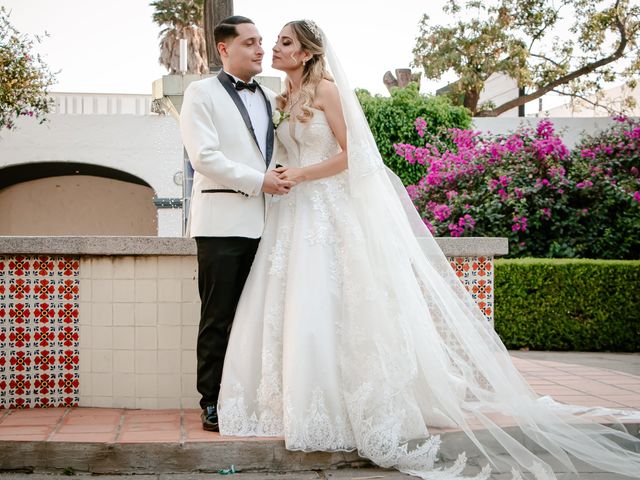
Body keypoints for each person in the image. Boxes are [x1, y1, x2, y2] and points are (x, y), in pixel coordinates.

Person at [217, 20, 640, 479]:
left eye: (284, 43)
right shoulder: (282, 98)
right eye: (272, 42)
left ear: (305, 53)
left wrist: (300, 175)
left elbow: (351, 156)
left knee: (333, 303)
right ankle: (290, 400)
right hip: (292, 214)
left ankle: (347, 404)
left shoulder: (328, 92)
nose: (273, 49)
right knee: (295, 306)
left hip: (326, 211)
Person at [179, 15, 294, 432]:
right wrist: (259, 181)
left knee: (259, 317)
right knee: (219, 316)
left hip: (268, 224)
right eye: (249, 42)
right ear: (224, 49)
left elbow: (270, 154)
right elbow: (204, 158)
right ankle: (210, 401)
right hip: (221, 223)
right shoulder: (200, 93)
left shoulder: (268, 96)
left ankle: (247, 397)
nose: (260, 49)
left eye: (261, 41)